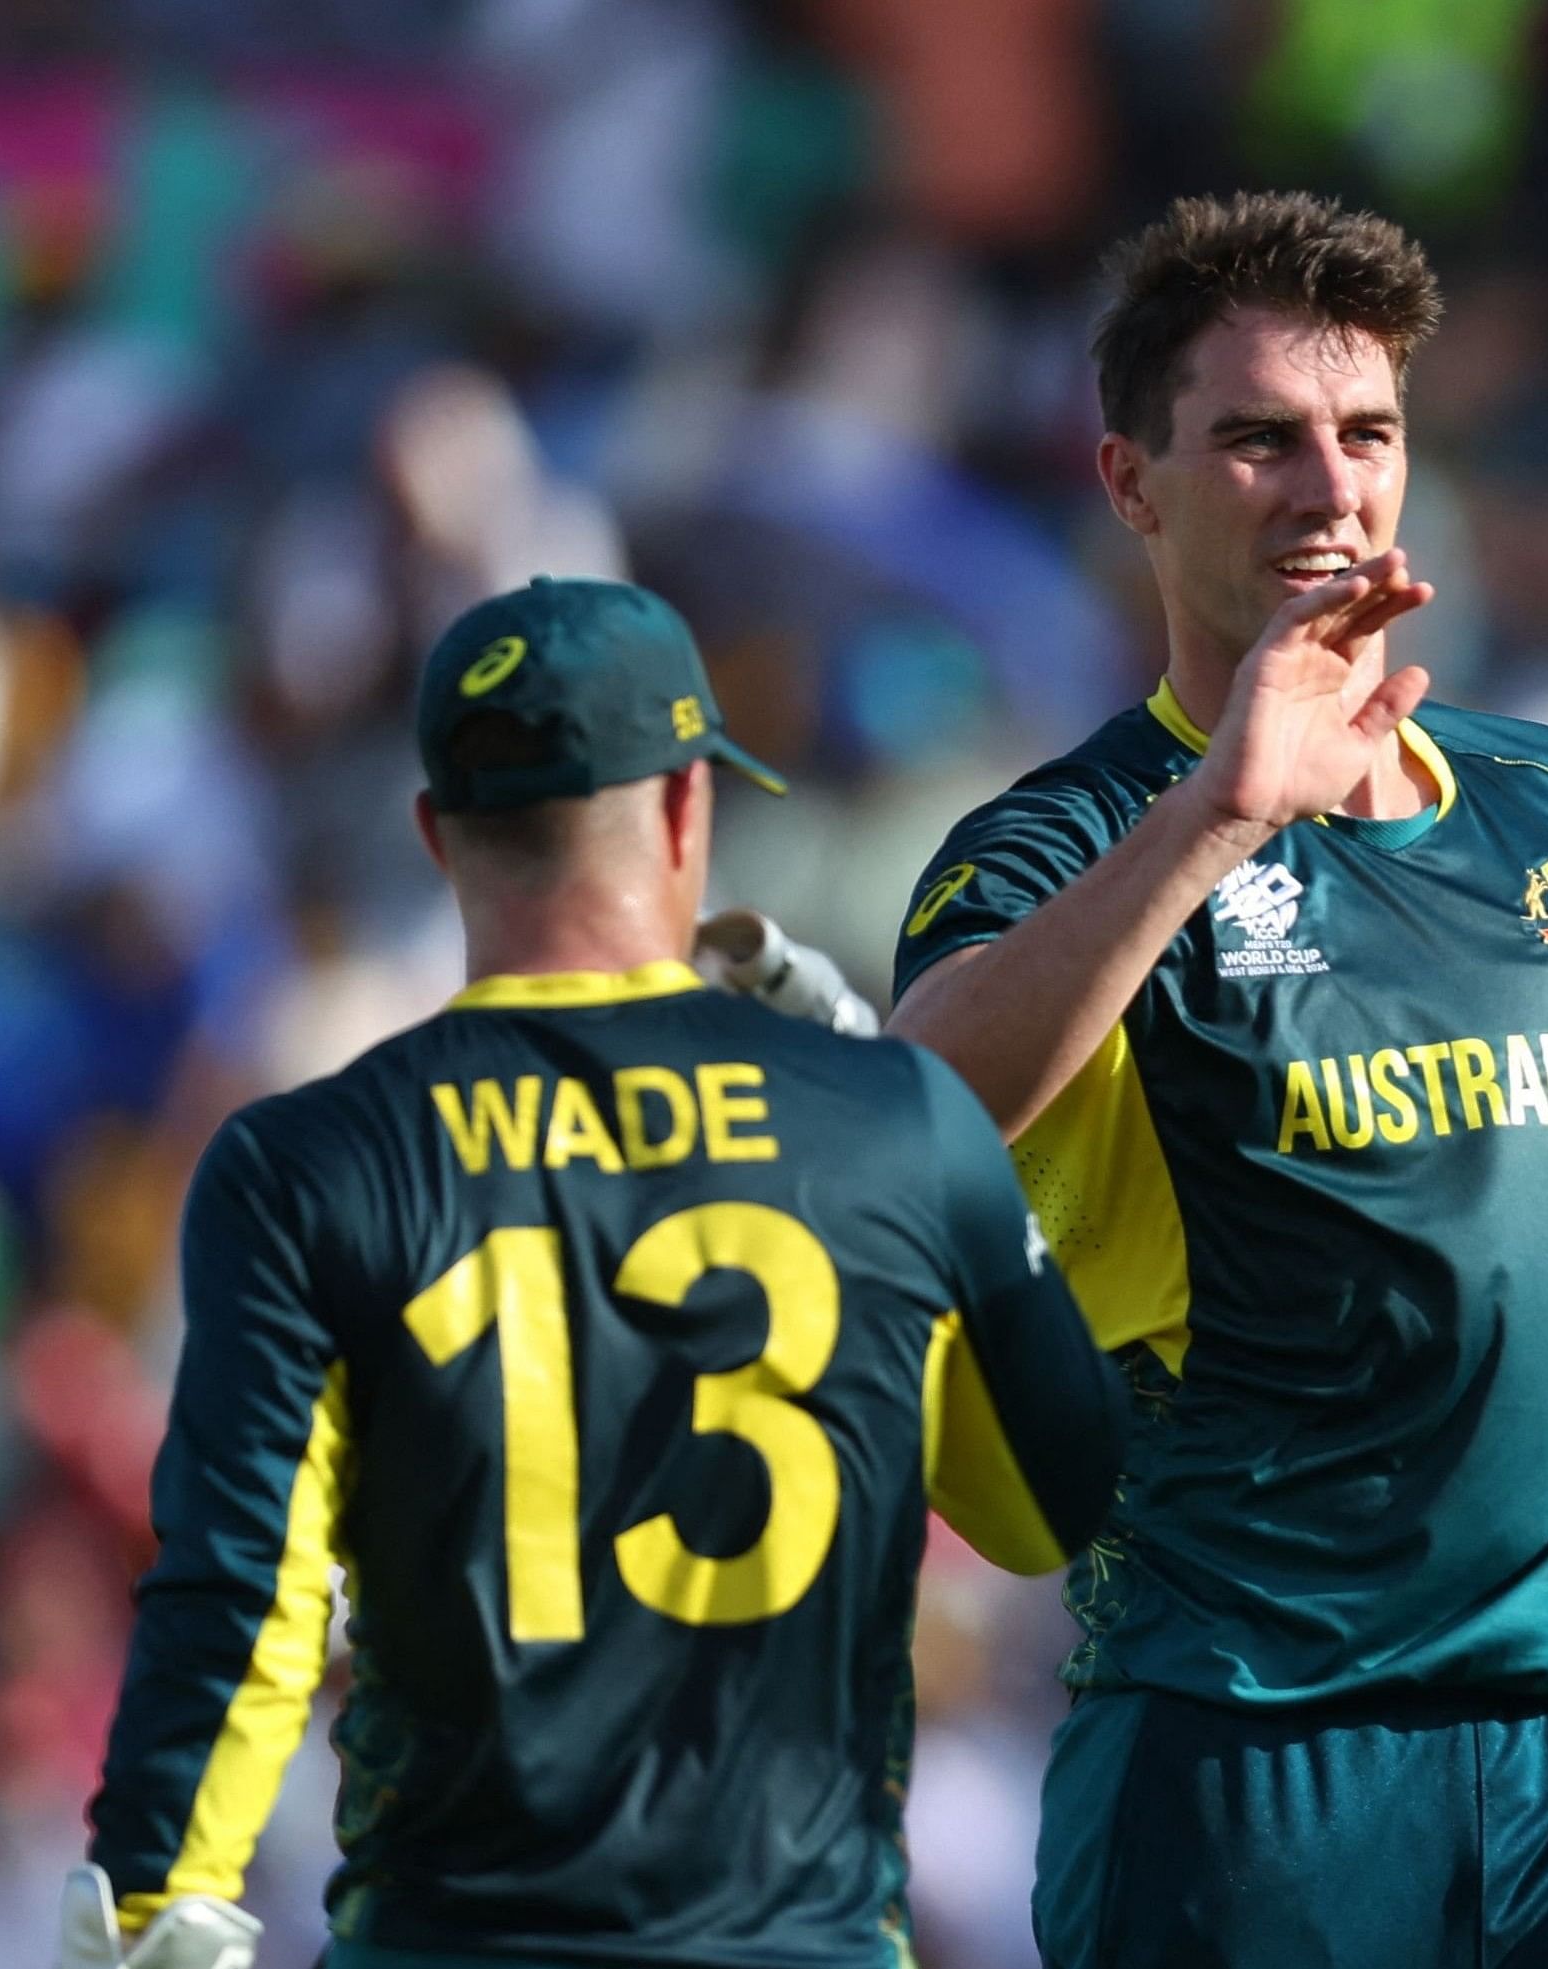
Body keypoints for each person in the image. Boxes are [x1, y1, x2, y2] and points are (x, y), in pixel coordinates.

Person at [886, 191, 1548, 1969]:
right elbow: (908, 1125)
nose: (1325, 485)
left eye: (1367, 433)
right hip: (1252, 1749)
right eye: (1256, 438)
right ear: (1130, 483)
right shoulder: (1069, 840)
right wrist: (1219, 815)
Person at [63, 577, 1123, 1969]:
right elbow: (1055, 1498)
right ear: (690, 809)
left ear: (439, 836)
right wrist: (935, 1170)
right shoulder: (896, 1124)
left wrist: (151, 1896)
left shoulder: (307, 1161)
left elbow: (245, 1593)